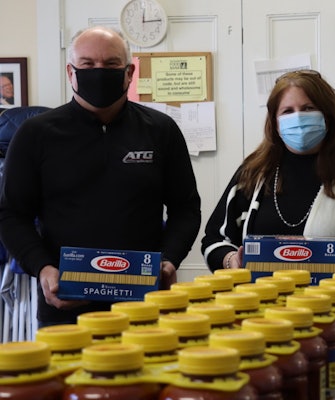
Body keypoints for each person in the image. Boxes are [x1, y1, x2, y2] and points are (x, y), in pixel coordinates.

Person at [0, 26, 201, 327]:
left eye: (110, 64)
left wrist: (170, 259)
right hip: (65, 302)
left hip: (145, 301)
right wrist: (42, 268)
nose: (99, 71)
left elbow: (185, 208)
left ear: (129, 72)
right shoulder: (35, 134)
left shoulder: (161, 130)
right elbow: (11, 214)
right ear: (71, 72)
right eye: (88, 64)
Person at [201, 69, 335, 339]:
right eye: (288, 111)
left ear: (328, 116)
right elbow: (215, 237)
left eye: (308, 108)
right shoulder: (253, 173)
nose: (298, 118)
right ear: (274, 120)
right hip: (262, 325)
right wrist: (230, 261)